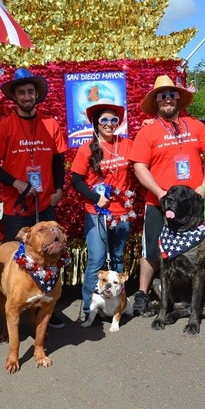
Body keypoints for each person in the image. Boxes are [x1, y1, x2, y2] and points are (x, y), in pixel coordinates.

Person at [129, 75, 205, 316]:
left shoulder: (196, 126)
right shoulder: (147, 132)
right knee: (152, 249)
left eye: (171, 95)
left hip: (194, 204)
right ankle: (143, 293)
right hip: (160, 203)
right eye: (162, 96)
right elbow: (139, 166)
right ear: (156, 102)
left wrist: (204, 187)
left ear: (178, 99)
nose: (167, 99)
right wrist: (160, 193)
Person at [0, 67, 68, 328]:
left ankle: (47, 306)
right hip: (16, 208)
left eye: (31, 91)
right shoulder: (4, 126)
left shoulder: (50, 124)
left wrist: (59, 190)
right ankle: (16, 309)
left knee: (51, 259)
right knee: (19, 263)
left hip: (45, 205)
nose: (27, 96)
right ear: (15, 97)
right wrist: (17, 183)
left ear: (37, 95)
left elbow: (58, 159)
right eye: (22, 92)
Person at [71, 103, 135, 321]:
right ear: (96, 124)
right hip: (95, 212)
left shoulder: (127, 144)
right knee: (97, 260)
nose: (109, 124)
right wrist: (95, 197)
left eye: (113, 120)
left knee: (117, 259)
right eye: (104, 120)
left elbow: (146, 159)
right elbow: (76, 180)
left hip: (122, 213)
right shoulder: (87, 149)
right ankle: (89, 307)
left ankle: (116, 305)